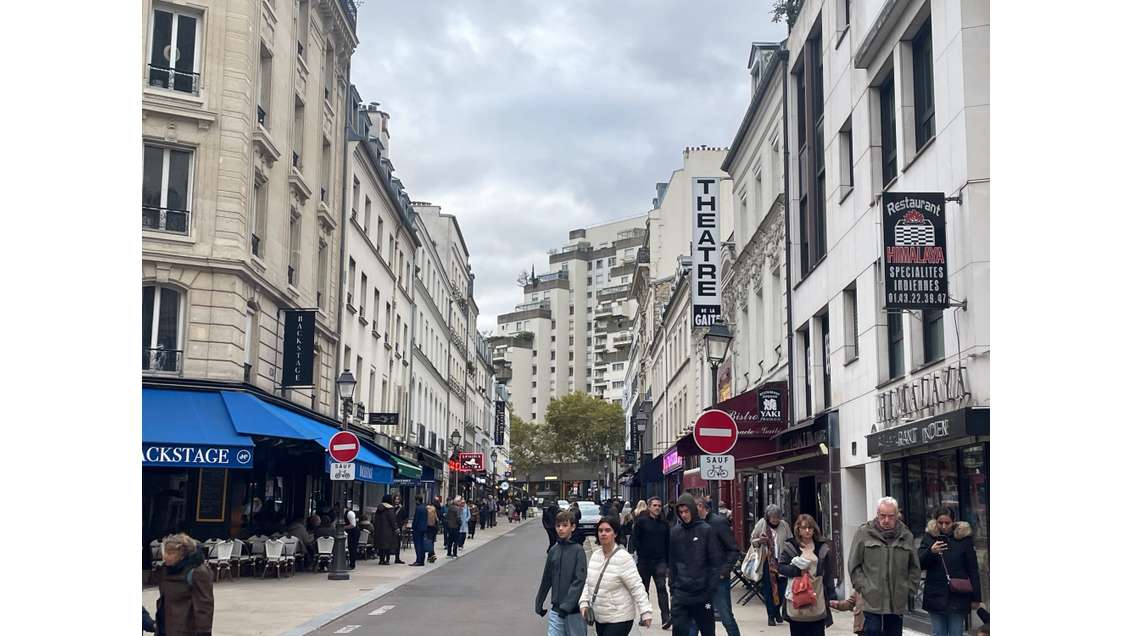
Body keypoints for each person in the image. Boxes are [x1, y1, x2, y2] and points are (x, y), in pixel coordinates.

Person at [847, 497, 921, 636]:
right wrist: (863, 586)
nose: (886, 520)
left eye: (890, 516)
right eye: (883, 516)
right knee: (873, 631)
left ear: (897, 515)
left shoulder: (906, 535)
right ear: (877, 514)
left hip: (896, 601)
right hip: (872, 599)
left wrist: (908, 588)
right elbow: (854, 564)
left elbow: (914, 566)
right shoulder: (864, 533)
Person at [579, 515, 653, 635]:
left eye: (608, 530)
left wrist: (645, 611)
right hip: (600, 616)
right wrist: (584, 602)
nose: (603, 533)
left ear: (615, 534)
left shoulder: (624, 558)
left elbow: (636, 586)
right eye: (600, 530)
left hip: (620, 617)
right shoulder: (595, 556)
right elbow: (589, 582)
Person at [917, 507, 982, 636]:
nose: (944, 526)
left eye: (947, 522)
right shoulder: (929, 538)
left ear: (954, 521)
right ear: (936, 522)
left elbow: (973, 569)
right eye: (940, 522)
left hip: (958, 594)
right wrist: (931, 552)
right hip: (935, 593)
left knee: (956, 632)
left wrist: (976, 597)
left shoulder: (964, 539)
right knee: (938, 632)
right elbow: (919, 564)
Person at [668, 493, 724, 636]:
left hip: (702, 593)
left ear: (693, 510)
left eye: (686, 511)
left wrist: (709, 588)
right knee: (679, 630)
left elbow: (714, 561)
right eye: (681, 512)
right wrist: (673, 589)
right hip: (681, 593)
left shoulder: (706, 530)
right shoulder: (675, 532)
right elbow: (672, 562)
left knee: (707, 631)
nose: (684, 515)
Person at [777, 514, 838, 635]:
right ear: (798, 529)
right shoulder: (791, 546)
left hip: (817, 593)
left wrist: (832, 594)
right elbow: (781, 567)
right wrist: (797, 571)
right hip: (797, 595)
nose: (807, 531)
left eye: (810, 528)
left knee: (817, 629)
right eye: (804, 528)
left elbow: (828, 573)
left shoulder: (822, 546)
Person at [688, 495, 741, 636]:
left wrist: (724, 571)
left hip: (718, 578)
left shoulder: (718, 523)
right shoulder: (694, 524)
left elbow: (733, 549)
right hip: (699, 579)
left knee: (726, 617)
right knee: (695, 618)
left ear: (700, 506)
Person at [535, 510, 589, 636]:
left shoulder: (578, 551)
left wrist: (567, 605)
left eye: (565, 525)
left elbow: (579, 581)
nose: (561, 529)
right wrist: (539, 601)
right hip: (556, 610)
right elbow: (547, 578)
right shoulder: (554, 550)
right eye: (558, 526)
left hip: (574, 612)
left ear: (573, 527)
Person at [155, 533, 214, 636]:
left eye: (170, 553)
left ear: (182, 555)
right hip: (165, 627)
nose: (165, 556)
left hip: (184, 629)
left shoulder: (197, 572)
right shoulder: (166, 569)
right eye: (165, 552)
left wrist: (204, 632)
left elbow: (204, 606)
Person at [750, 504, 793, 626]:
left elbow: (790, 540)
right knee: (769, 589)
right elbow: (752, 540)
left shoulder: (784, 525)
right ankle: (771, 615)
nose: (775, 520)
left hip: (782, 562)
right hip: (767, 562)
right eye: (773, 517)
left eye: (777, 517)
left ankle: (776, 611)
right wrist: (760, 541)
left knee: (781, 589)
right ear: (768, 517)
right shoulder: (762, 524)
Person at [633, 497, 672, 629]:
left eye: (659, 506)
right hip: (644, 561)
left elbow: (668, 543)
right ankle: (645, 616)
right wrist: (638, 553)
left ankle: (666, 617)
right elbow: (635, 539)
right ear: (649, 507)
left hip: (660, 561)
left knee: (661, 588)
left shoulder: (665, 524)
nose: (657, 508)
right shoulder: (641, 522)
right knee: (643, 590)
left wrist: (668, 562)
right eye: (654, 505)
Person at [374, 495, 400, 565]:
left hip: (379, 530)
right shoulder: (390, 509)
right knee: (388, 545)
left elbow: (375, 519)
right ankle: (387, 559)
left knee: (381, 545)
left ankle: (381, 560)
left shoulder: (379, 508)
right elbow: (392, 520)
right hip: (388, 530)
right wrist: (396, 528)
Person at [410, 495, 429, 566]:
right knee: (422, 544)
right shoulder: (425, 508)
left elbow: (416, 519)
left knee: (418, 545)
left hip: (417, 529)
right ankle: (422, 560)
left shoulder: (418, 508)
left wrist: (413, 527)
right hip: (423, 528)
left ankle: (418, 560)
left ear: (417, 500)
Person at [393, 494, 408, 564]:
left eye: (398, 499)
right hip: (391, 527)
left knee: (398, 543)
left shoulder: (402, 509)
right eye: (396, 499)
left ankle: (397, 558)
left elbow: (405, 518)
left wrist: (404, 525)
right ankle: (387, 558)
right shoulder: (391, 508)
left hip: (399, 527)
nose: (397, 500)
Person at [426, 496, 441, 563]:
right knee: (431, 541)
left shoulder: (430, 509)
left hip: (429, 526)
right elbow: (438, 519)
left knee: (429, 541)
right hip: (434, 526)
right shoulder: (439, 509)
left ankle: (431, 554)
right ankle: (430, 555)